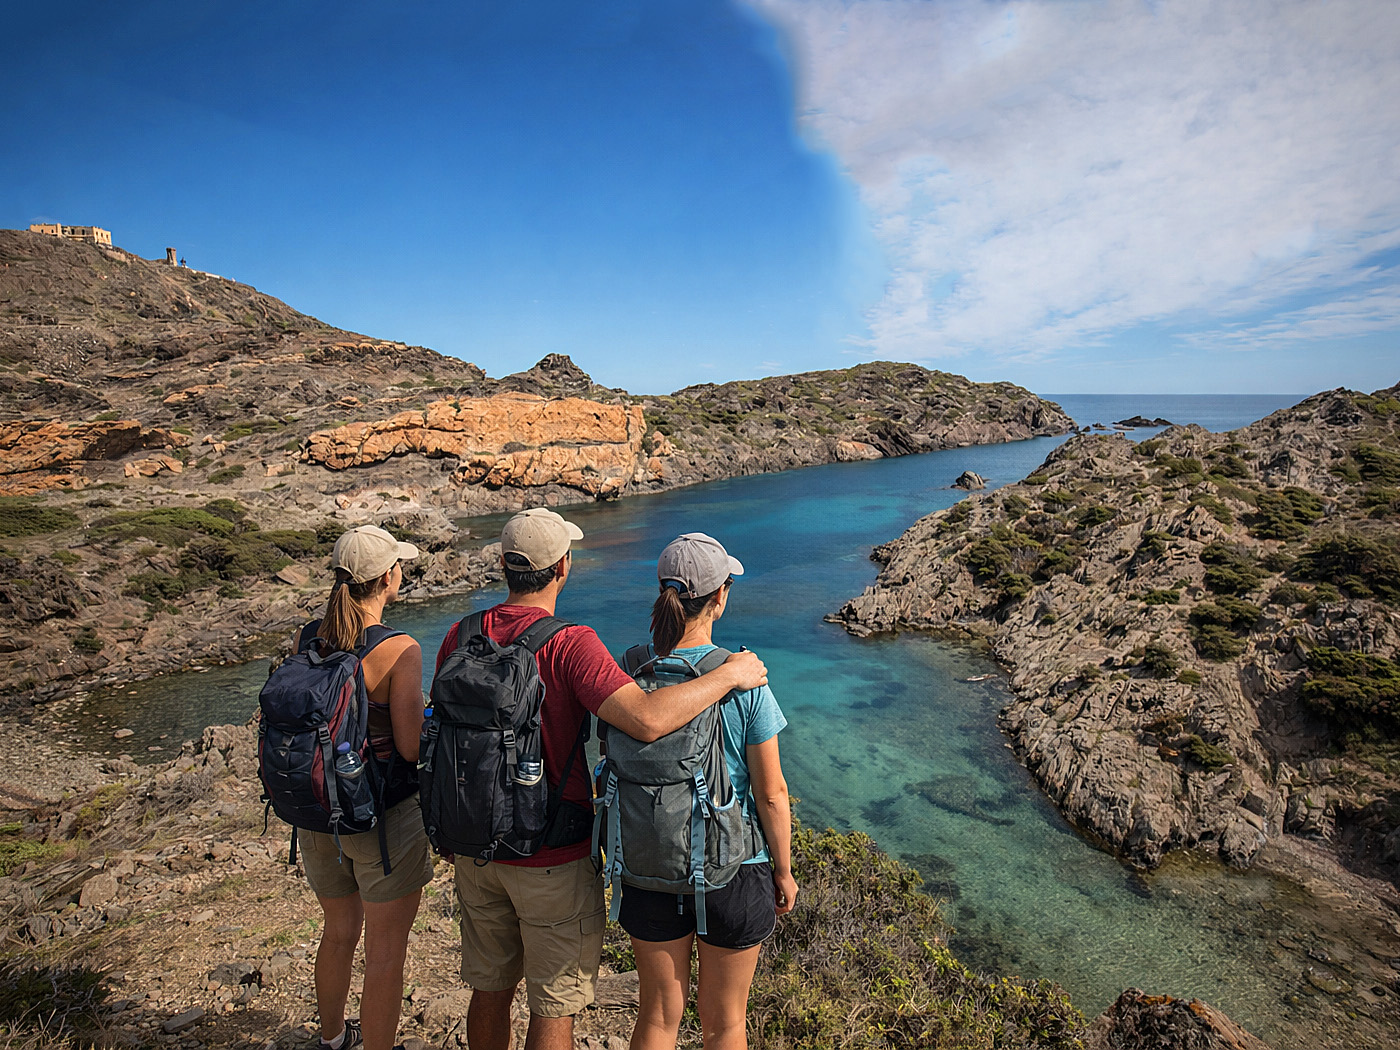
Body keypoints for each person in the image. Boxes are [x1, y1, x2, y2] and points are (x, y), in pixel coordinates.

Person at [434, 507, 769, 1050]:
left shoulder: (461, 633)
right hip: (551, 855)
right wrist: (731, 672)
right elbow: (647, 718)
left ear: (503, 565)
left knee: (489, 991)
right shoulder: (569, 643)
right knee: (553, 1003)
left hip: (475, 848)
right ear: (563, 566)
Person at [620, 533, 795, 1050]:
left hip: (649, 862)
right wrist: (782, 870)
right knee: (724, 1023)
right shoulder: (746, 679)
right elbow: (771, 794)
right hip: (734, 869)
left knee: (656, 1017)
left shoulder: (630, 671)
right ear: (720, 597)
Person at [294, 525, 432, 1050]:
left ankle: (332, 1040)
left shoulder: (308, 637)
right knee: (385, 952)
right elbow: (411, 746)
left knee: (337, 931)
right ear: (389, 578)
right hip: (382, 818)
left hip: (318, 810)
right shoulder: (400, 649)